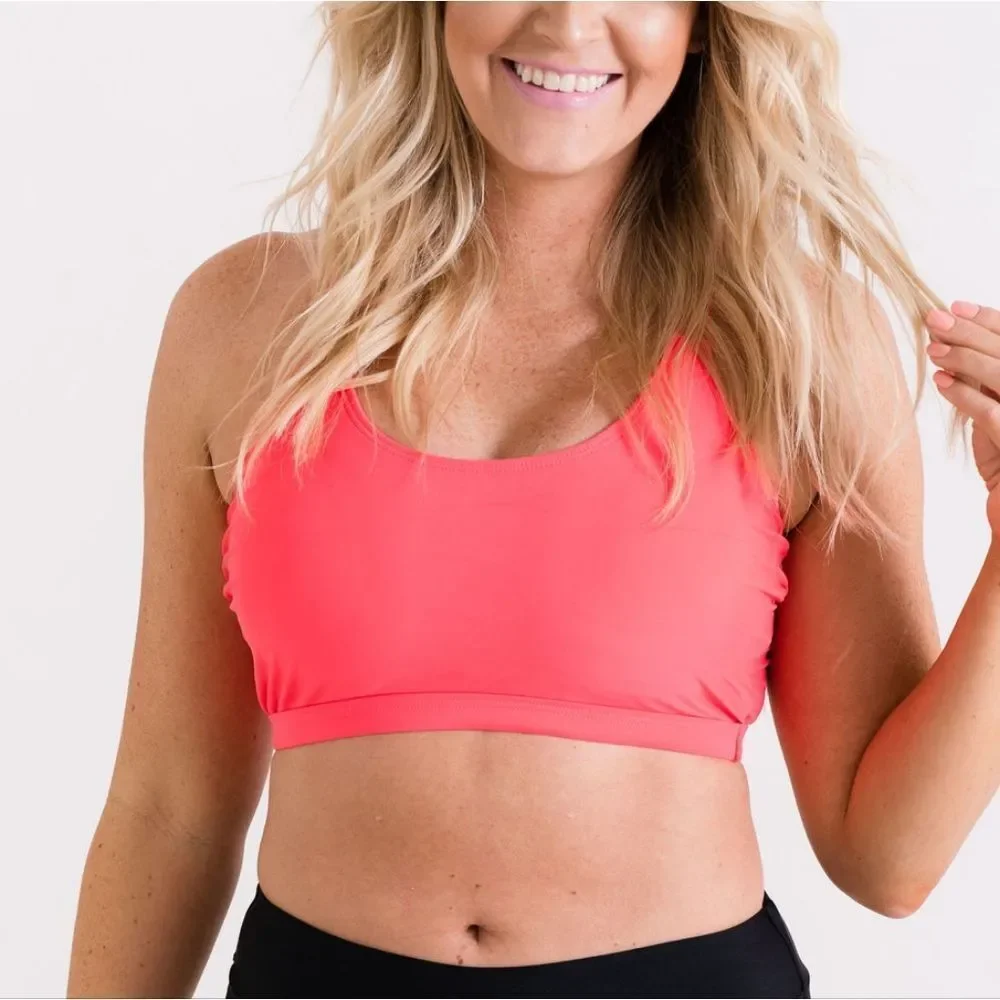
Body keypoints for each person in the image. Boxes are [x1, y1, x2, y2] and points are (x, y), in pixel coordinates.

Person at [66, 3, 1000, 998]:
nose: (566, 21)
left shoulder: (801, 342)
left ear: (700, 23)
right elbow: (169, 806)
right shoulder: (245, 326)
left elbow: (888, 857)